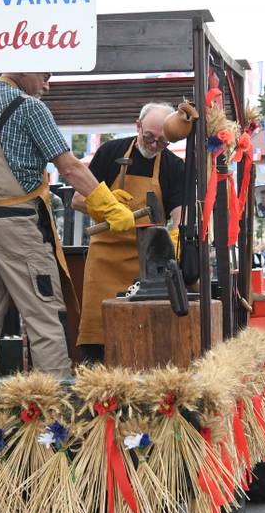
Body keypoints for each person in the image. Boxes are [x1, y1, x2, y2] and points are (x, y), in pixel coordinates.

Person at [0, 71, 135, 378]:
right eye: (46, 76)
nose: (47, 85)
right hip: (15, 226)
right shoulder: (30, 107)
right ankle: (55, 409)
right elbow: (70, 168)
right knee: (43, 315)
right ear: (24, 68)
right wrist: (109, 207)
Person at [71, 102, 185, 361]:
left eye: (162, 142)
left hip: (146, 264)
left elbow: (181, 214)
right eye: (149, 137)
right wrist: (106, 205)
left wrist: (177, 241)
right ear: (138, 126)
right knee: (98, 333)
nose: (154, 145)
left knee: (142, 334)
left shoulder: (173, 166)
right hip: (104, 261)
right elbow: (77, 199)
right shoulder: (109, 152)